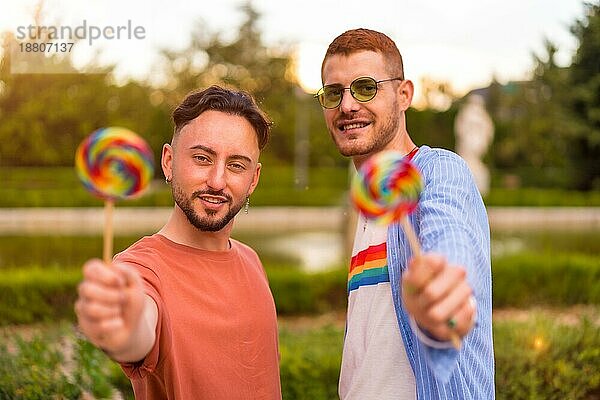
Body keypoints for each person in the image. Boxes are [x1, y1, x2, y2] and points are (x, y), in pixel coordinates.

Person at [315, 28, 494, 399]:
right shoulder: (370, 205)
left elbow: (450, 238)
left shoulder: (438, 170)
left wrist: (444, 288)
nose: (347, 105)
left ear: (403, 94)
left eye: (365, 88)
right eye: (334, 93)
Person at [75, 86, 282, 399]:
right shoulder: (140, 269)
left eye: (236, 165)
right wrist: (123, 328)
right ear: (169, 162)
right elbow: (137, 332)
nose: (217, 180)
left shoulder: (251, 259)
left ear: (253, 179)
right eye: (202, 158)